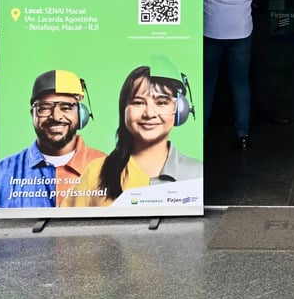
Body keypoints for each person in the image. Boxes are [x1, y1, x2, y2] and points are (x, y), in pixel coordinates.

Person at [64, 64, 201, 206]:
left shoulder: (199, 173)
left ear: (181, 110)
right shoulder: (95, 172)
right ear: (124, 110)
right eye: (138, 102)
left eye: (161, 102)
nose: (149, 113)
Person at [203, 0, 273, 150]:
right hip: (240, 26)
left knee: (207, 81)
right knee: (240, 81)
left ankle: (201, 132)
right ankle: (242, 133)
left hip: (210, 25)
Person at [0, 69, 106, 208]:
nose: (56, 116)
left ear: (81, 114)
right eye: (44, 108)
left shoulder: (108, 168)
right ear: (33, 115)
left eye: (66, 107)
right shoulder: (2, 172)